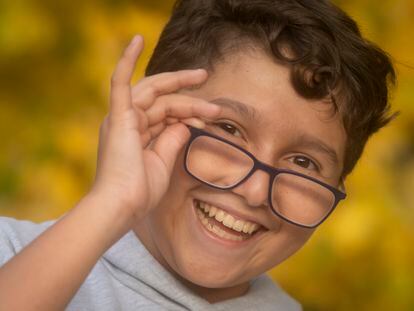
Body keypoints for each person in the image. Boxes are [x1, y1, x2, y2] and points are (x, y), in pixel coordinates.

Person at [0, 0, 397, 310]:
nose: (256, 191)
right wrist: (110, 204)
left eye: (303, 163)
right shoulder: (12, 252)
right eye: (228, 130)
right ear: (155, 115)